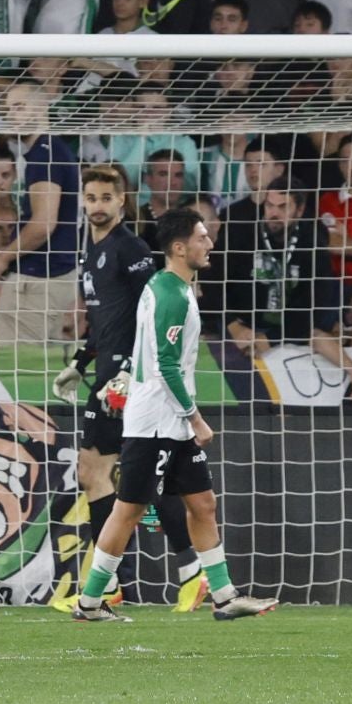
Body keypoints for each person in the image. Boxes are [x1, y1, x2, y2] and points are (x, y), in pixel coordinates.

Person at [72, 207, 278, 623]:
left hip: (170, 422)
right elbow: (166, 364)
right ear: (180, 248)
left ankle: (223, 595)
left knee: (203, 503)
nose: (210, 244)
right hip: (155, 422)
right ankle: (90, 602)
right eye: (202, 238)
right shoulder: (170, 294)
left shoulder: (167, 286)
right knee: (128, 510)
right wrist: (196, 418)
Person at [50, 165, 208, 612]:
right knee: (132, 477)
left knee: (111, 473)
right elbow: (105, 320)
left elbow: (150, 312)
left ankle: (122, 582)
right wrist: (81, 363)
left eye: (106, 197)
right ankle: (185, 573)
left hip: (127, 381)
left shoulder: (132, 249)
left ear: (122, 201)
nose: (97, 205)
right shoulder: (93, 248)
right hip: (109, 376)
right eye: (91, 197)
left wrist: (125, 371)